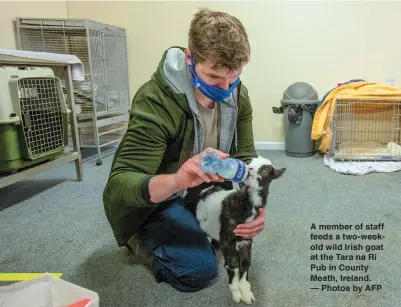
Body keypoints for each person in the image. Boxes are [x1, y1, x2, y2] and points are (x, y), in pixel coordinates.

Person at [102, 8, 266, 292]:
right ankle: (137, 237)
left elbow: (246, 158)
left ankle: (193, 220)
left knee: (235, 235)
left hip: (200, 185)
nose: (226, 89)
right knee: (198, 271)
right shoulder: (155, 99)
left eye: (234, 77)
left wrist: (256, 203)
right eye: (214, 77)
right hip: (158, 196)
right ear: (190, 59)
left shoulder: (238, 94)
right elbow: (119, 184)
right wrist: (178, 180)